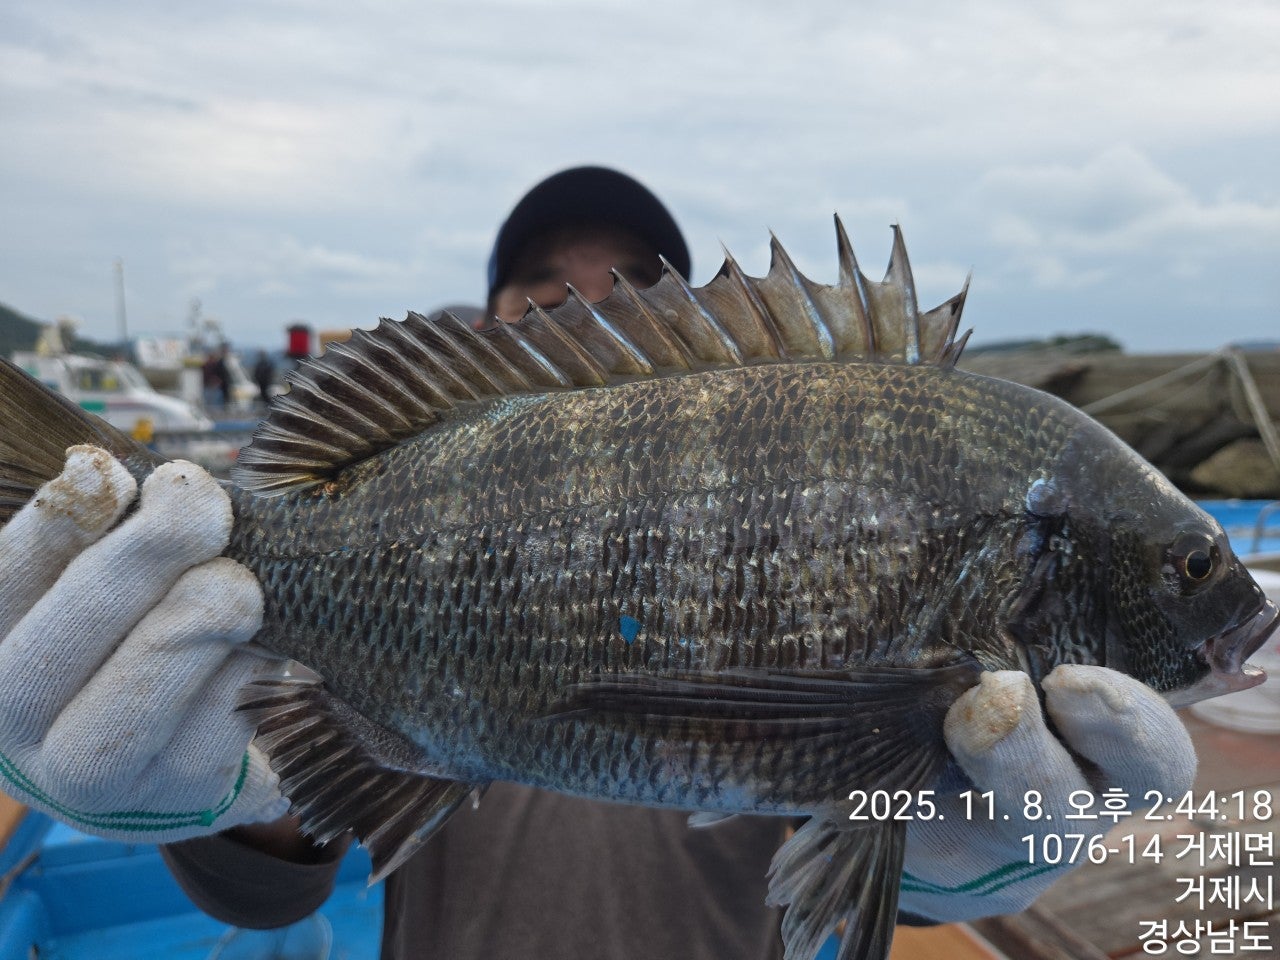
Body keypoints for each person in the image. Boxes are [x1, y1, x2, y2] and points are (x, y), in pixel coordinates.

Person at [0, 167, 1197, 960]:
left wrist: (940, 855)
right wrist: (219, 807)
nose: (587, 322)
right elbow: (283, 881)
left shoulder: (957, 648)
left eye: (627, 295)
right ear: (483, 336)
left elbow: (850, 852)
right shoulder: (359, 516)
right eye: (542, 297)